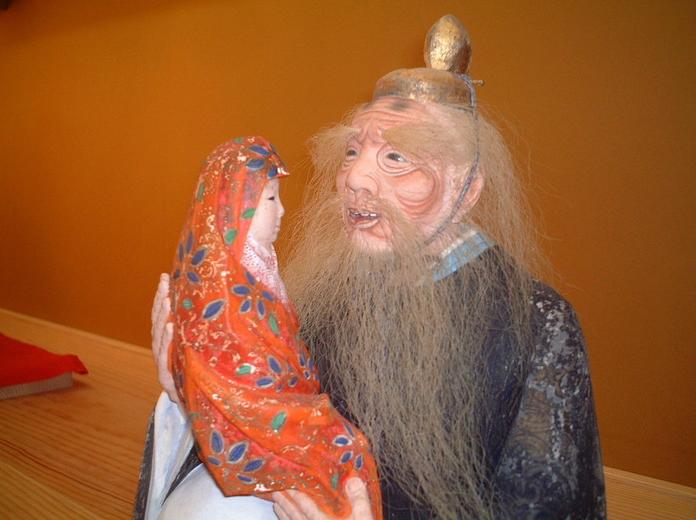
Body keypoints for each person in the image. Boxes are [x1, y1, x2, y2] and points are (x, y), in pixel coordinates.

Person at [148, 15, 606, 519]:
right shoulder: (322, 292)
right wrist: (197, 390)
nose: (354, 178)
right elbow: (269, 421)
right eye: (352, 151)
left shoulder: (537, 326)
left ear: (466, 189)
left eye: (396, 158)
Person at [135, 136, 381, 520]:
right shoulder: (222, 282)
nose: (282, 210)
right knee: (346, 450)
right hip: (252, 421)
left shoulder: (259, 265)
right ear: (236, 206)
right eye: (270, 199)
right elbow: (238, 378)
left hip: (278, 408)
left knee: (346, 450)